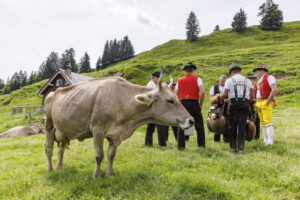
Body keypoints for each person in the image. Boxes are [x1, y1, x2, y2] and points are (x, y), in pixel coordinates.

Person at [220, 64, 254, 154]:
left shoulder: (229, 80)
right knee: (242, 125)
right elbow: (252, 95)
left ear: (231, 72)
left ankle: (233, 147)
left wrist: (219, 99)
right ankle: (241, 148)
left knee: (232, 126)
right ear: (239, 71)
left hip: (233, 104)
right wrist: (247, 101)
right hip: (244, 104)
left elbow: (224, 94)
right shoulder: (247, 80)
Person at [176, 62, 205, 150]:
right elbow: (202, 92)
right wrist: (200, 104)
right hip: (194, 103)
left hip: (183, 103)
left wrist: (179, 104)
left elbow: (176, 93)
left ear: (185, 71)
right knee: (199, 125)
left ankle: (181, 146)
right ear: (193, 70)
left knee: (181, 125)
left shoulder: (179, 80)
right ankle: (201, 146)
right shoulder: (197, 79)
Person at [253, 66, 277, 145]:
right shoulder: (259, 80)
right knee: (263, 122)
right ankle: (265, 139)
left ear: (263, 71)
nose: (256, 73)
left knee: (268, 121)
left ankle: (270, 141)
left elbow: (274, 89)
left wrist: (268, 101)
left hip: (265, 101)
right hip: (259, 101)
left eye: (257, 71)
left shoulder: (269, 77)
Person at [145, 71, 168, 147]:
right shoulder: (152, 85)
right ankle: (162, 143)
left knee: (150, 127)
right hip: (154, 109)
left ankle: (148, 143)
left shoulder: (151, 84)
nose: (158, 79)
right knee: (161, 125)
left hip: (151, 109)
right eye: (157, 77)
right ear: (153, 77)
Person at [209, 75, 230, 142]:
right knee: (216, 120)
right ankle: (216, 138)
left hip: (226, 106)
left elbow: (231, 98)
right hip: (216, 106)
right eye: (221, 81)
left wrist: (224, 101)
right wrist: (215, 100)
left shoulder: (229, 88)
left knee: (227, 121)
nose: (222, 82)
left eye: (224, 81)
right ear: (219, 80)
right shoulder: (214, 87)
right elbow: (211, 97)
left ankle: (226, 138)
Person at [247, 74, 260, 140]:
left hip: (255, 104)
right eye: (251, 79)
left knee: (256, 120)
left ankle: (256, 136)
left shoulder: (257, 86)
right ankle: (248, 135)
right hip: (248, 104)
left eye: (253, 79)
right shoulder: (246, 86)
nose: (252, 80)